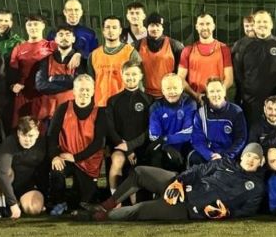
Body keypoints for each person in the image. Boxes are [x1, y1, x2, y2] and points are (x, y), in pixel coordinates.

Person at [104, 143, 267, 221]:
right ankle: (109, 203)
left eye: (256, 158)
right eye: (248, 155)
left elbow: (248, 211)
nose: (251, 160)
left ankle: (104, 215)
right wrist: (179, 181)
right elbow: (198, 170)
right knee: (140, 172)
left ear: (260, 162)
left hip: (188, 208)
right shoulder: (224, 162)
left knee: (139, 209)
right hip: (179, 184)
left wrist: (227, 214)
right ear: (242, 156)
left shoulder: (256, 187)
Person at [46, 75, 108, 216]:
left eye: (87, 89)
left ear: (93, 91)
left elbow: (99, 142)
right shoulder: (63, 108)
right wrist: (55, 156)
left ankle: (77, 202)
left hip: (88, 162)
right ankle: (58, 202)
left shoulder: (100, 112)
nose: (84, 93)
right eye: (81, 89)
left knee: (82, 202)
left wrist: (76, 157)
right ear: (74, 91)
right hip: (66, 157)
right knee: (57, 170)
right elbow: (52, 136)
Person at [231, 9, 276, 114]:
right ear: (254, 25)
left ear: (271, 25)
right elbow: (238, 74)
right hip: (251, 103)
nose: (262, 24)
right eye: (259, 22)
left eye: (265, 21)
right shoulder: (242, 45)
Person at [105, 63, 153, 197]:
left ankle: (138, 201)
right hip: (119, 146)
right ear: (122, 75)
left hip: (141, 146)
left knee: (135, 186)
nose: (130, 77)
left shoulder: (149, 100)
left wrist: (131, 146)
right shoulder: (113, 100)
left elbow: (151, 129)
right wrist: (126, 148)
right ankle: (114, 200)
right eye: (127, 74)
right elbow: (110, 128)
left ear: (140, 76)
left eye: (134, 74)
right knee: (118, 160)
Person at [0, 116, 48, 218]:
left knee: (33, 209)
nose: (27, 140)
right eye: (24, 135)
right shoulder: (9, 142)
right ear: (18, 133)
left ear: (37, 134)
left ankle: (19, 203)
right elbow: (2, 173)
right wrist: (13, 204)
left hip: (28, 184)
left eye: (31, 136)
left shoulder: (43, 143)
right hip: (9, 182)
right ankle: (1, 206)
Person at [5, 15, 53, 127]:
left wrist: (77, 54)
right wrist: (13, 86)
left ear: (43, 26)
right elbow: (12, 73)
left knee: (42, 129)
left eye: (36, 24)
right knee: (22, 128)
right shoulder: (19, 48)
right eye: (29, 25)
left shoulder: (51, 46)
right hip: (23, 95)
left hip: (43, 95)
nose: (33, 27)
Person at [146, 73, 198, 172]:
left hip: (184, 146)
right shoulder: (155, 107)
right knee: (155, 155)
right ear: (163, 90)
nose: (172, 92)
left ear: (181, 89)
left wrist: (166, 139)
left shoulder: (190, 104)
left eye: (175, 88)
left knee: (194, 156)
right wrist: (167, 147)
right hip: (163, 147)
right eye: (168, 88)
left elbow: (189, 132)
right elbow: (154, 136)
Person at [189, 78, 247, 165]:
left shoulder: (236, 111)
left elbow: (241, 139)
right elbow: (197, 140)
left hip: (228, 155)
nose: (215, 94)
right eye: (212, 91)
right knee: (193, 157)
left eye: (218, 91)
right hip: (209, 155)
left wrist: (225, 156)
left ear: (224, 92)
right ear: (207, 95)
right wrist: (210, 155)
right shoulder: (201, 113)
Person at [88, 16, 139, 107]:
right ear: (103, 31)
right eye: (107, 27)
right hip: (100, 105)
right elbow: (90, 83)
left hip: (124, 105)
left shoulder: (131, 52)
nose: (111, 30)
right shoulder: (94, 55)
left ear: (120, 31)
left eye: (114, 27)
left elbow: (139, 82)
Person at [178, 12, 234, 97]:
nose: (204, 27)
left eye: (208, 24)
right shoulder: (187, 50)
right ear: (196, 27)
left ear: (213, 26)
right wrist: (195, 95)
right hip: (194, 99)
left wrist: (217, 94)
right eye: (201, 24)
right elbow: (180, 78)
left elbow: (229, 79)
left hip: (218, 99)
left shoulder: (224, 49)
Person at [34, 25, 82, 121]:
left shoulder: (81, 60)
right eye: (61, 34)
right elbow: (40, 85)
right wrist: (70, 85)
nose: (64, 37)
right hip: (49, 112)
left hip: (72, 111)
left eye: (68, 34)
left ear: (73, 39)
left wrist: (54, 79)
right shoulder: (45, 60)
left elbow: (80, 83)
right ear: (55, 39)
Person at [136, 14, 181, 99]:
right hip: (145, 95)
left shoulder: (175, 45)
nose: (155, 29)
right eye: (152, 25)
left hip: (168, 95)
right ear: (147, 27)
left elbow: (182, 73)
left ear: (162, 28)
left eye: (158, 25)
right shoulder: (137, 45)